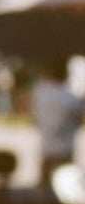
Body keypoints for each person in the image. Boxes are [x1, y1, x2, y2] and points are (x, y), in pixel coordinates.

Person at [31, 56, 85, 188]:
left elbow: (35, 118)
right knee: (67, 187)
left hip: (47, 147)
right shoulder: (70, 97)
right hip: (65, 148)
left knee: (43, 187)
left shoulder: (40, 92)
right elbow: (79, 118)